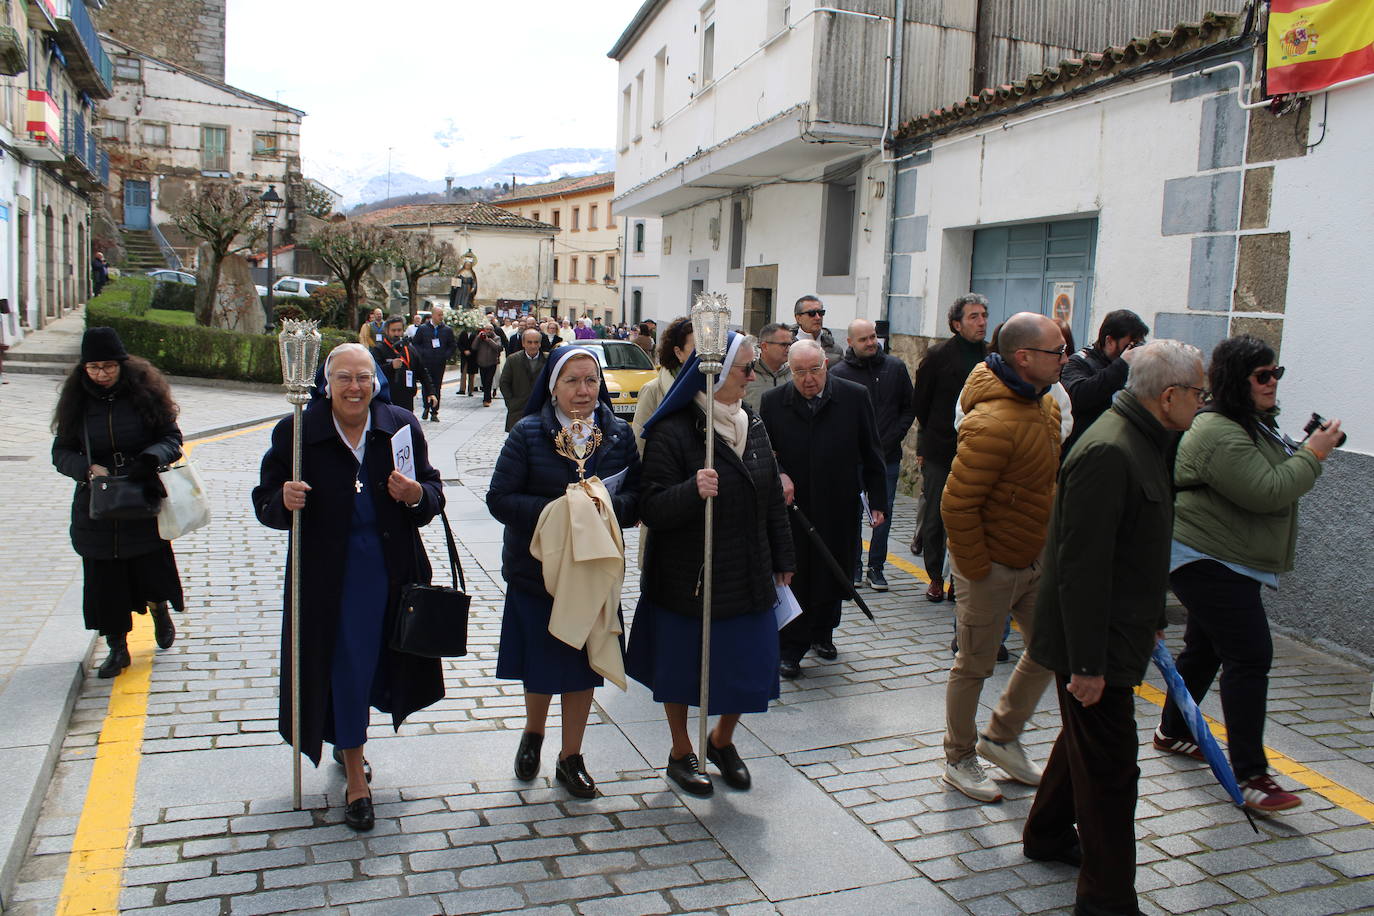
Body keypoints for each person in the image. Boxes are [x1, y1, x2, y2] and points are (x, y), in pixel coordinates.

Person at [1023, 340, 1207, 915]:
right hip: (1093, 642)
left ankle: (1048, 833)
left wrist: (1152, 619)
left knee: (1086, 741)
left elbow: (1138, 549)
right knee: (1111, 773)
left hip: (1117, 631)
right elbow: (1081, 568)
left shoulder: (1150, 440)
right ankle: (1107, 901)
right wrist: (1086, 666)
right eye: (1199, 394)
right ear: (1169, 396)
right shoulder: (1110, 450)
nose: (1203, 404)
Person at [251, 343, 445, 832]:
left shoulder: (399, 424)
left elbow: (433, 492)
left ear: (376, 380)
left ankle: (346, 735)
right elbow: (264, 500)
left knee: (379, 664)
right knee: (344, 665)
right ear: (326, 383)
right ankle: (357, 779)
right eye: (343, 378)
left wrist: (416, 494)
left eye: (363, 377)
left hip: (392, 570)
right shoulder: (297, 431)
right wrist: (283, 500)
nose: (354, 387)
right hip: (329, 576)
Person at [1154, 335, 1343, 814]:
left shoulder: (1248, 424)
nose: (1273, 383)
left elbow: (1269, 474)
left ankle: (1173, 732)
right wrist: (1314, 454)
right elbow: (1268, 490)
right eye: (1263, 375)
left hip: (1223, 555)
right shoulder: (1217, 430)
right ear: (1239, 380)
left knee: (1206, 647)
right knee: (1251, 654)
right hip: (1205, 558)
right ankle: (1252, 776)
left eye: (1276, 373)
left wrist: (1304, 448)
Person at [628, 331, 795, 796]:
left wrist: (783, 557)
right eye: (745, 368)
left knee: (750, 664)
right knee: (682, 670)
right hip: (688, 574)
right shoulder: (675, 430)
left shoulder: (753, 424)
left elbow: (772, 504)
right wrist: (691, 489)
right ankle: (682, 751)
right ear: (717, 375)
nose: (752, 375)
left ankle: (721, 740)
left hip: (747, 567)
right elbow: (652, 505)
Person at [488, 347, 641, 798]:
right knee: (540, 666)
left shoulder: (617, 436)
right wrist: (563, 512)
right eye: (572, 380)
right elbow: (500, 498)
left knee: (582, 668)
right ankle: (534, 733)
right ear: (553, 385)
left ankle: (570, 756)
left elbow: (637, 498)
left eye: (591, 380)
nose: (583, 390)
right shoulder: (528, 433)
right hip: (538, 573)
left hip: (593, 575)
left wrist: (605, 508)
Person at [940, 312, 1064, 803]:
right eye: (1057, 351)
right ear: (1024, 358)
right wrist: (978, 569)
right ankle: (959, 756)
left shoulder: (1047, 406)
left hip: (1035, 560)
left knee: (1051, 648)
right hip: (990, 567)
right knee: (974, 664)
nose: (1065, 358)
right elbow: (956, 504)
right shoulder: (990, 421)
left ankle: (1001, 738)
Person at [51, 327, 184, 677]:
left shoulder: (144, 393)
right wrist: (85, 468)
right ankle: (117, 647)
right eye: (94, 367)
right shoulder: (76, 401)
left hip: (141, 495)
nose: (102, 374)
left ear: (121, 364)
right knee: (103, 583)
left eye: (108, 366)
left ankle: (159, 610)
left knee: (149, 570)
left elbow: (171, 438)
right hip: (97, 502)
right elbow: (61, 451)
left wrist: (150, 458)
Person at [760, 338, 885, 678]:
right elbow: (762, 453)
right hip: (793, 507)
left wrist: (878, 501)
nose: (808, 379)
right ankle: (791, 646)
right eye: (799, 372)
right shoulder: (773, 402)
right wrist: (780, 474)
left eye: (814, 370)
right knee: (794, 573)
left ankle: (824, 633)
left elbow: (871, 451)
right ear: (791, 372)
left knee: (834, 569)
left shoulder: (854, 397)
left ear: (825, 366)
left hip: (838, 502)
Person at [911, 294, 988, 602]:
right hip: (942, 449)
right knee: (935, 518)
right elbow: (921, 404)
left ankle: (960, 578)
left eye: (984, 315)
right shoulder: (938, 356)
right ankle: (934, 576)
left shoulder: (992, 356)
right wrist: (934, 436)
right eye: (973, 316)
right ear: (956, 324)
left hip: (979, 450)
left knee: (971, 518)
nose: (982, 321)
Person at [830, 318, 917, 591]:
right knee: (851, 513)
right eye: (863, 339)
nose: (870, 343)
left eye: (872, 337)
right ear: (850, 342)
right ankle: (853, 566)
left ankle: (876, 568)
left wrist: (893, 437)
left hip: (887, 457)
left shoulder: (895, 367)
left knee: (883, 512)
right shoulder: (839, 373)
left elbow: (908, 407)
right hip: (852, 460)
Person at [1061, 310, 1148, 453]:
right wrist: (1122, 364)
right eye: (1128, 346)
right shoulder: (1079, 362)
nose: (1131, 351)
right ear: (1109, 341)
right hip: (1086, 450)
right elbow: (1078, 396)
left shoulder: (1124, 366)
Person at [631, 317, 693, 456]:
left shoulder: (710, 387)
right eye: (696, 348)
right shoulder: (653, 390)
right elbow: (639, 443)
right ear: (678, 353)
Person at [371, 316, 435, 415]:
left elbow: (422, 372)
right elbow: (374, 372)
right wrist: (391, 366)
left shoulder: (409, 349)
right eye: (393, 330)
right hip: (388, 400)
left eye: (399, 330)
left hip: (407, 399)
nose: (396, 333)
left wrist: (431, 392)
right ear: (387, 331)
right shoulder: (379, 350)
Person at [498, 328, 549, 431]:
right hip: (518, 409)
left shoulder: (548, 359)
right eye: (529, 342)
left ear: (540, 344)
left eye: (536, 342)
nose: (533, 346)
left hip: (541, 410)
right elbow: (504, 383)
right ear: (523, 343)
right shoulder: (513, 360)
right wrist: (511, 403)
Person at [412, 306, 456, 421]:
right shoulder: (423, 329)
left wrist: (445, 355)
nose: (441, 317)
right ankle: (426, 407)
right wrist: (423, 353)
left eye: (442, 315)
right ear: (433, 315)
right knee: (426, 386)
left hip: (439, 363)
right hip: (426, 362)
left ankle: (434, 411)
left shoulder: (446, 330)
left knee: (437, 386)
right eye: (439, 315)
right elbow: (416, 344)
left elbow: (452, 345)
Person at [742, 322, 793, 412]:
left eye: (790, 344)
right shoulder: (746, 375)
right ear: (764, 346)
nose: (788, 349)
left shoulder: (794, 375)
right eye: (783, 345)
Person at [792, 295, 842, 365]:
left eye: (821, 313)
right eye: (811, 313)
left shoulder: (835, 349)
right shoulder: (786, 347)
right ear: (798, 318)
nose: (818, 317)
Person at [473, 323, 504, 407]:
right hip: (481, 363)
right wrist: (478, 337)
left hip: (492, 363)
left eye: (490, 329)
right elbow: (474, 347)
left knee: (488, 381)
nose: (488, 331)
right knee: (484, 381)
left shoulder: (497, 338)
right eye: (487, 329)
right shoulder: (480, 338)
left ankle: (486, 399)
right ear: (484, 330)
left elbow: (498, 348)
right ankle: (487, 396)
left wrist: (488, 340)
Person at [457, 322, 481, 397]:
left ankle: (470, 390)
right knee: (463, 372)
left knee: (471, 374)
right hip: (464, 356)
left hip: (472, 357)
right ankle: (462, 389)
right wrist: (464, 350)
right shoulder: (463, 333)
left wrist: (471, 351)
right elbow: (459, 343)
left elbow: (477, 345)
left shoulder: (475, 334)